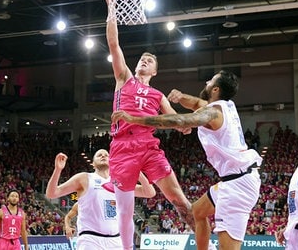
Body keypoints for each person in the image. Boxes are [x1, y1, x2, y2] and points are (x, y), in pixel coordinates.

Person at [112, 70, 263, 250]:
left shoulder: (213, 114)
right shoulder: (225, 105)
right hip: (233, 179)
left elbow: (180, 121)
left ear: (215, 89)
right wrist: (181, 96)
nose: (206, 81)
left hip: (238, 185)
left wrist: (134, 119)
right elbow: (196, 103)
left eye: (210, 81)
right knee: (197, 212)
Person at [103, 7, 195, 250]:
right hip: (122, 148)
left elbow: (177, 122)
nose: (144, 60)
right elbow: (113, 43)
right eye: (142, 59)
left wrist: (186, 126)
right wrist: (112, 7)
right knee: (125, 211)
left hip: (149, 147)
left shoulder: (158, 94)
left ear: (155, 71)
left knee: (179, 199)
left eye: (150, 60)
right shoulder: (124, 79)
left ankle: (210, 242)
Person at [46, 149, 156, 249]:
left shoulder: (119, 182)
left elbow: (149, 192)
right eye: (99, 155)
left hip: (116, 240)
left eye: (106, 155)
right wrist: (57, 170)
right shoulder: (84, 178)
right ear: (93, 164)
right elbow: (52, 193)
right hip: (90, 239)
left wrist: (139, 173)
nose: (103, 156)